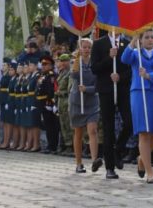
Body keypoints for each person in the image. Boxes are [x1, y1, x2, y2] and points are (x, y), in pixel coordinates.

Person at [121, 28, 153, 184]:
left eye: (152, 37)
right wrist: (133, 41)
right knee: (144, 132)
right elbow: (124, 59)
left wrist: (148, 76)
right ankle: (150, 172)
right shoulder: (136, 54)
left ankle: (142, 158)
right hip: (139, 93)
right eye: (146, 37)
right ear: (141, 39)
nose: (149, 39)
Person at [91, 31, 132, 179]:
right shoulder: (99, 43)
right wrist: (109, 58)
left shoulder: (127, 44)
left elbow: (131, 69)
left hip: (122, 89)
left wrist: (120, 77)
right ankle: (110, 167)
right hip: (106, 90)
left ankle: (118, 150)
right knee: (109, 128)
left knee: (129, 122)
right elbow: (94, 67)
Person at [70, 38, 102, 174]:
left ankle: (95, 160)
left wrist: (87, 89)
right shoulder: (75, 61)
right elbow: (74, 74)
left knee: (93, 130)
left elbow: (98, 84)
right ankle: (79, 163)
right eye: (84, 47)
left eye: (89, 47)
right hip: (77, 102)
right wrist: (77, 60)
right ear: (80, 48)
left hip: (92, 102)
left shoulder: (96, 62)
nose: (87, 49)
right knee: (78, 132)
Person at [36, 56, 59, 154]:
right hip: (41, 102)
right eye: (42, 64)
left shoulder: (51, 76)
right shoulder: (42, 75)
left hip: (47, 102)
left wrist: (51, 103)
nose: (43, 66)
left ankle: (53, 146)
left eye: (46, 64)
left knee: (52, 126)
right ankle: (50, 145)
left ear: (51, 65)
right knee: (46, 125)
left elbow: (52, 90)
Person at [55, 54, 74, 156]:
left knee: (68, 123)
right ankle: (66, 145)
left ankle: (70, 146)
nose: (62, 63)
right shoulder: (62, 73)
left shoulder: (69, 73)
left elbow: (69, 89)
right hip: (60, 101)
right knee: (63, 124)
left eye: (64, 61)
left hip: (66, 100)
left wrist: (60, 93)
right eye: (60, 61)